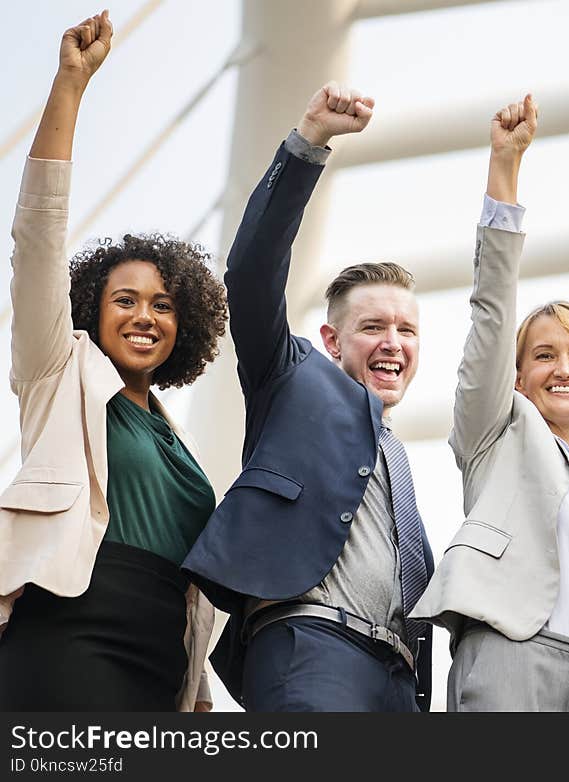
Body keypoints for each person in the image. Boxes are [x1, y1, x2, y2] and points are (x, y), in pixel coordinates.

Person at [0, 12, 227, 711]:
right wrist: (71, 84)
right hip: (70, 629)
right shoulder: (56, 372)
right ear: (90, 312)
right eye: (124, 299)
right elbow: (39, 235)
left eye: (162, 305)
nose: (144, 316)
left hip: (163, 656)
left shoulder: (179, 444)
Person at [183, 82, 434, 712]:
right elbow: (251, 273)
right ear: (330, 339)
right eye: (373, 327)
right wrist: (309, 143)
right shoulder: (291, 375)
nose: (393, 343)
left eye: (407, 330)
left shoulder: (394, 457)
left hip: (399, 680)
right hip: (312, 646)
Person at [411, 95, 569, 711]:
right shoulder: (497, 437)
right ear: (517, 379)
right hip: (515, 659)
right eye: (544, 355)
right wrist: (505, 169)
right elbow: (493, 313)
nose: (563, 368)